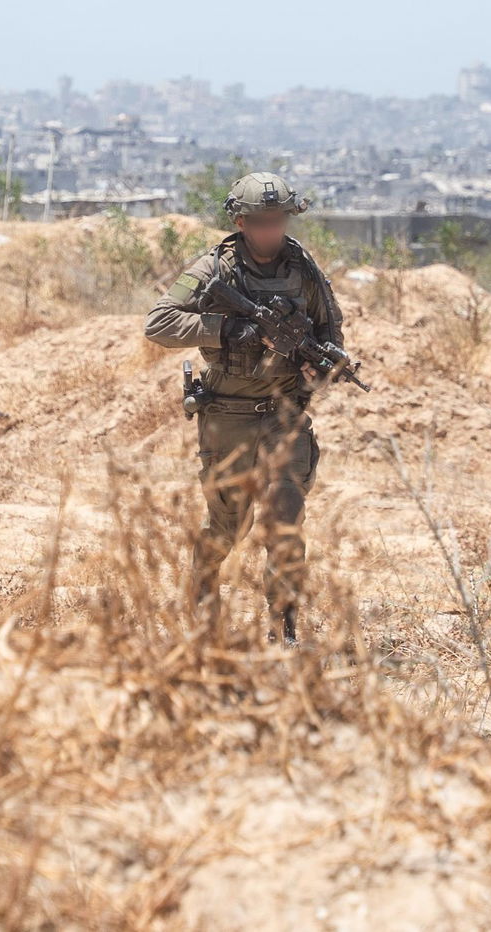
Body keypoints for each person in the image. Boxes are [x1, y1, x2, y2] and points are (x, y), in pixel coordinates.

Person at [144, 171, 346, 643]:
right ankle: (200, 614)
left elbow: (330, 334)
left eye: (280, 220)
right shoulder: (216, 269)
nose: (273, 230)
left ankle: (285, 629)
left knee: (286, 521)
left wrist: (321, 370)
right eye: (262, 221)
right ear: (240, 221)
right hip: (227, 417)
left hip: (284, 415)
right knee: (229, 527)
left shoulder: (303, 269)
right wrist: (227, 331)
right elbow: (158, 324)